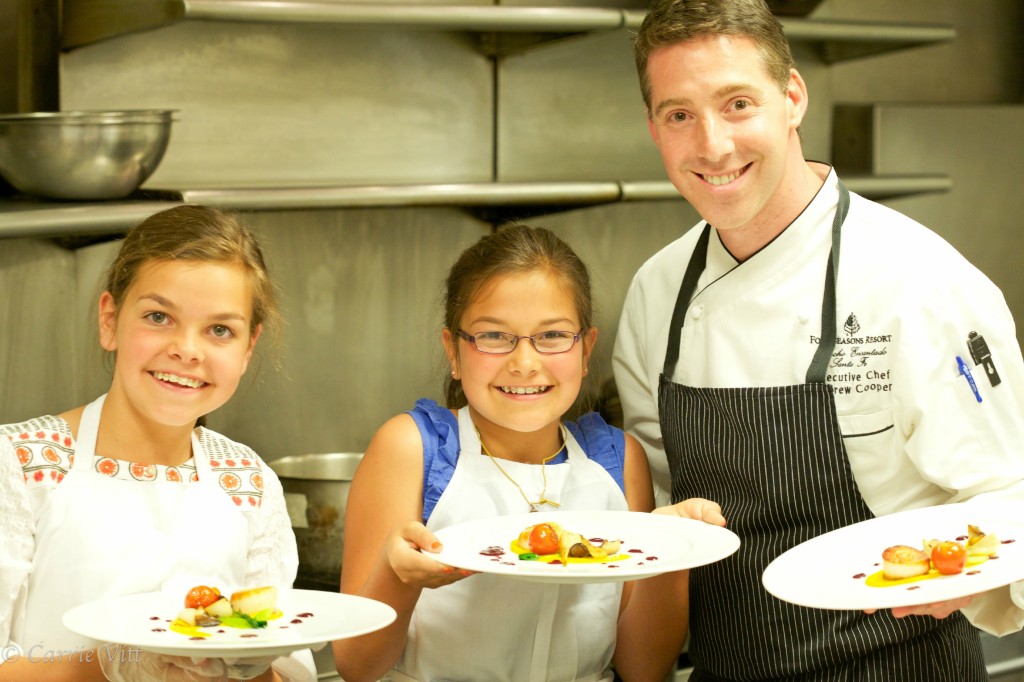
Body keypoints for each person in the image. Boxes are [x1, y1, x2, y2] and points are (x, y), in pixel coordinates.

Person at [612, 0, 1024, 679]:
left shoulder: (918, 280)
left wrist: (970, 576)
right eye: (679, 114)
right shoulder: (658, 292)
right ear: (653, 128)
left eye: (737, 103)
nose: (712, 144)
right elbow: (661, 511)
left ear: (792, 97)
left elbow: (1011, 495)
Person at [332, 224, 723, 682]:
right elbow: (356, 666)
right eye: (494, 336)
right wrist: (397, 576)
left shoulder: (617, 461)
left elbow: (644, 669)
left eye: (553, 335)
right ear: (454, 353)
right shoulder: (411, 449)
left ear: (585, 351)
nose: (524, 362)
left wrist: (669, 554)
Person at [0, 206, 314, 682]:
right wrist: (117, 665)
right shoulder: (20, 465)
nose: (188, 349)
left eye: (220, 330)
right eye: (158, 316)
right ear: (110, 320)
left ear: (248, 347)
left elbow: (287, 662)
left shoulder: (249, 482)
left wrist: (242, 668)